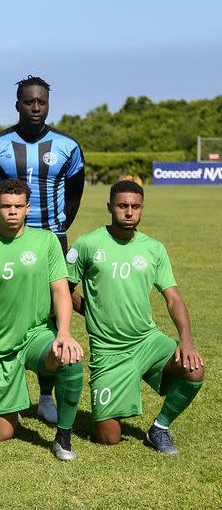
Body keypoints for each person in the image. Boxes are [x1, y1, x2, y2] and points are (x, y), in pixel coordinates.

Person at [0, 75, 86, 424]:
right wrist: (1, 227)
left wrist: (56, 228)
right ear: (17, 104)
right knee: (9, 312)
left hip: (51, 240)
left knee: (53, 315)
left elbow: (74, 194)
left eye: (41, 102)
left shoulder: (68, 146)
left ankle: (46, 395)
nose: (35, 107)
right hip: (7, 241)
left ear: (47, 104)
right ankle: (10, 389)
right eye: (29, 102)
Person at [67, 181, 204, 454]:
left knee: (194, 369)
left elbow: (173, 297)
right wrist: (92, 312)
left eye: (135, 206)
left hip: (146, 340)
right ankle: (119, 393)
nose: (128, 212)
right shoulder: (88, 243)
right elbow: (64, 290)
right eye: (122, 206)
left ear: (142, 209)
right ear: (110, 207)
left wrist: (185, 340)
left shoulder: (153, 248)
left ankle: (160, 429)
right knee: (109, 438)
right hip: (108, 351)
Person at [0, 178, 83, 461]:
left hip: (36, 335)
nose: (13, 212)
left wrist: (63, 333)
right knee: (1, 433)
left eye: (19, 206)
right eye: (6, 206)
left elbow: (61, 291)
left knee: (68, 356)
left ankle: (63, 437)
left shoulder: (46, 242)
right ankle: (12, 402)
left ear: (28, 208)